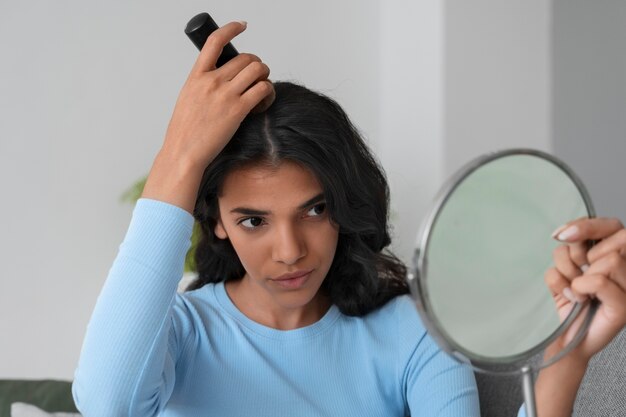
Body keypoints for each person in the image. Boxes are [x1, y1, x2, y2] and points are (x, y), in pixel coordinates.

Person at [72, 21, 626, 417]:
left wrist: (561, 369)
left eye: (315, 209)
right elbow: (104, 403)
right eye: (253, 221)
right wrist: (181, 155)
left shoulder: (413, 333)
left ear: (346, 204)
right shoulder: (181, 336)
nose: (290, 251)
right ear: (214, 221)